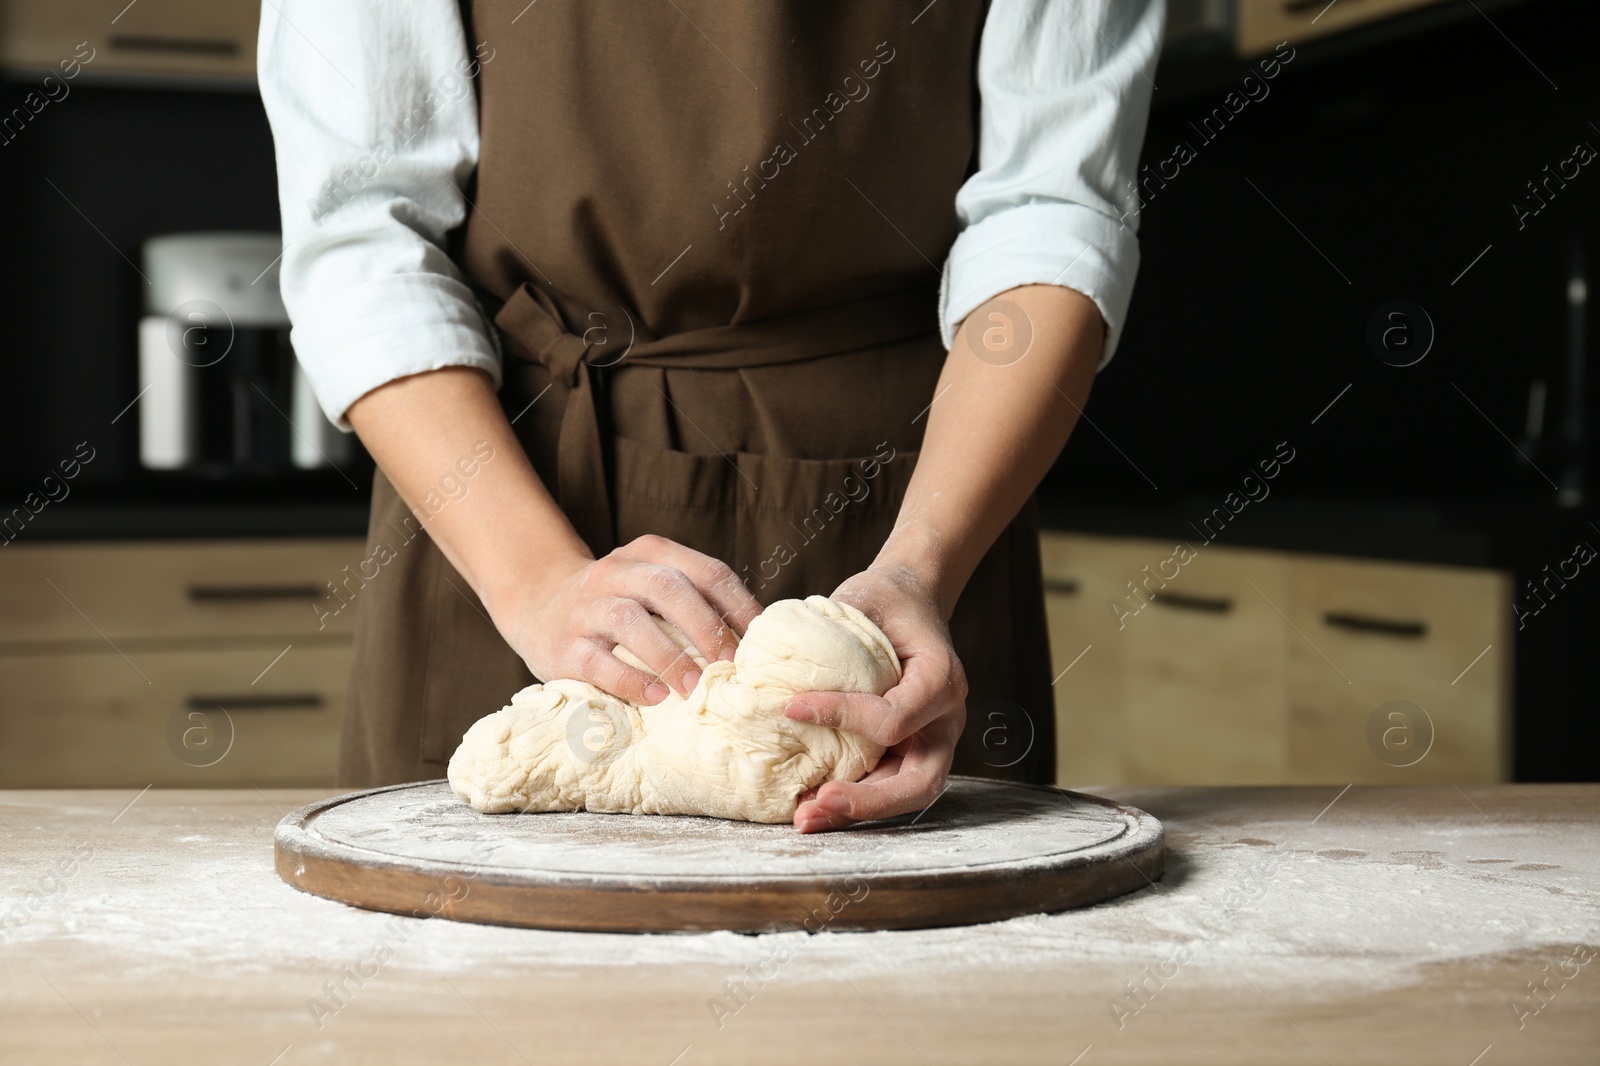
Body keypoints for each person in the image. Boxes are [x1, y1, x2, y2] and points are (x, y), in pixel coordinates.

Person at [260, 0, 1161, 833]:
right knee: (476, 986)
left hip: (915, 490)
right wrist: (536, 582)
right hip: (502, 491)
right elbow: (365, 235)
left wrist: (922, 568)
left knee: (912, 988)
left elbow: (1052, 210)